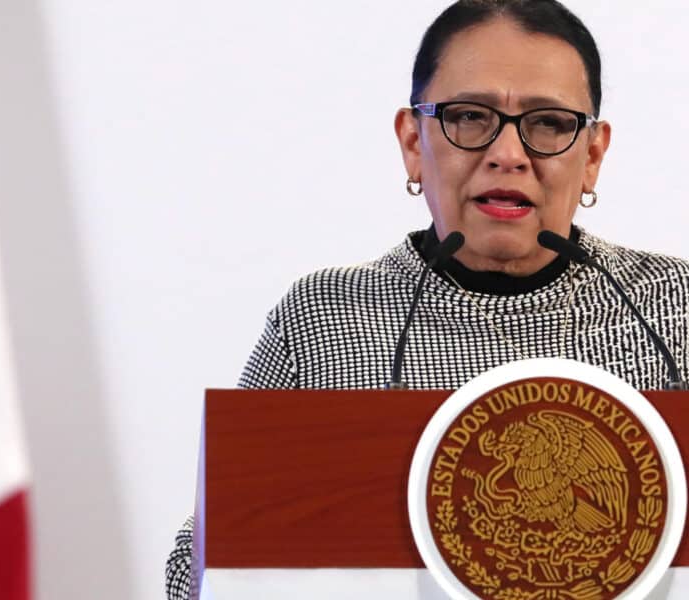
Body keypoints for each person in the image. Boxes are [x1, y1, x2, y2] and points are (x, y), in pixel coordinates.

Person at [165, 1, 689, 598]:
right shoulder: (325, 319)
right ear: (414, 142)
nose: (509, 154)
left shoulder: (673, 310)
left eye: (548, 123)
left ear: (592, 155)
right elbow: (208, 553)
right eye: (470, 117)